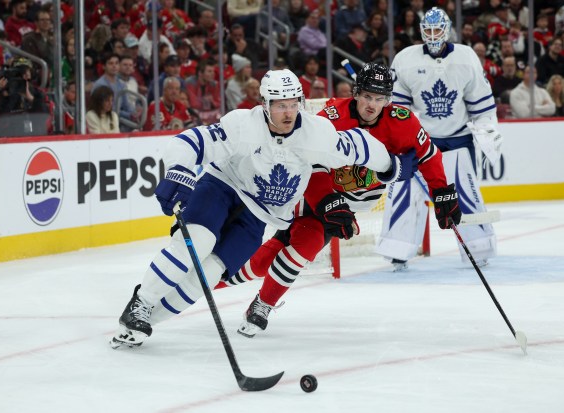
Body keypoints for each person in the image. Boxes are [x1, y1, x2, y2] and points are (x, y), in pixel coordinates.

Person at [110, 68, 414, 348]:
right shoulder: (243, 124)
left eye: (294, 103)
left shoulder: (315, 133)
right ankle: (141, 302)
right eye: (280, 105)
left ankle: (144, 322)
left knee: (211, 272)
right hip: (223, 188)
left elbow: (358, 144)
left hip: (262, 214)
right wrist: (178, 171)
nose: (288, 111)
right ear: (265, 104)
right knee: (197, 242)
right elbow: (193, 141)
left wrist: (391, 166)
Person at [218, 63, 459, 338]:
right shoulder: (330, 117)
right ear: (356, 93)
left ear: (388, 100)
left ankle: (221, 284)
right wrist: (328, 202)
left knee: (276, 253)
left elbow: (428, 155)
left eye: (379, 99)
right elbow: (310, 163)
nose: (371, 105)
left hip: (349, 204)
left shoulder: (403, 122)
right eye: (367, 96)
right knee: (302, 244)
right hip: (312, 193)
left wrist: (443, 194)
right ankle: (255, 301)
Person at [378, 7, 501, 271]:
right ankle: (397, 248)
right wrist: (399, 136)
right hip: (423, 140)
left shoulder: (466, 57)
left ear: (447, 30)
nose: (433, 35)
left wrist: (487, 129)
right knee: (405, 189)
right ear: (421, 31)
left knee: (464, 193)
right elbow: (398, 107)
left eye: (437, 30)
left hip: (458, 138)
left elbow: (481, 102)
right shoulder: (405, 59)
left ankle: (478, 248)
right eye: (428, 30)